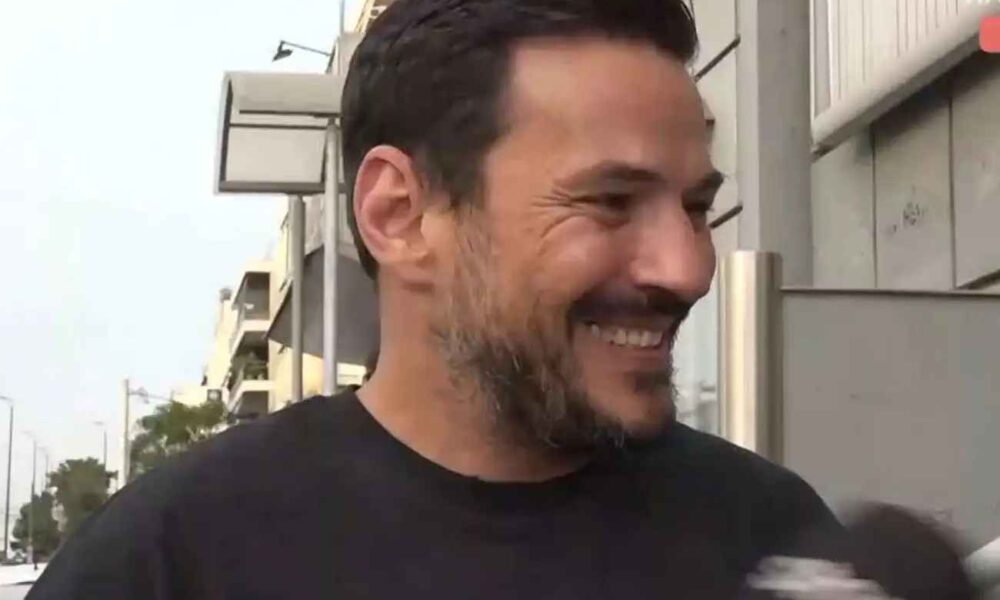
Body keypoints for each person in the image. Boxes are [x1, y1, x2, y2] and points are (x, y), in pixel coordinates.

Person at [29, 1, 840, 598]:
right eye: (609, 202)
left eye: (695, 207)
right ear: (401, 216)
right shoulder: (171, 564)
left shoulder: (774, 547)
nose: (686, 268)